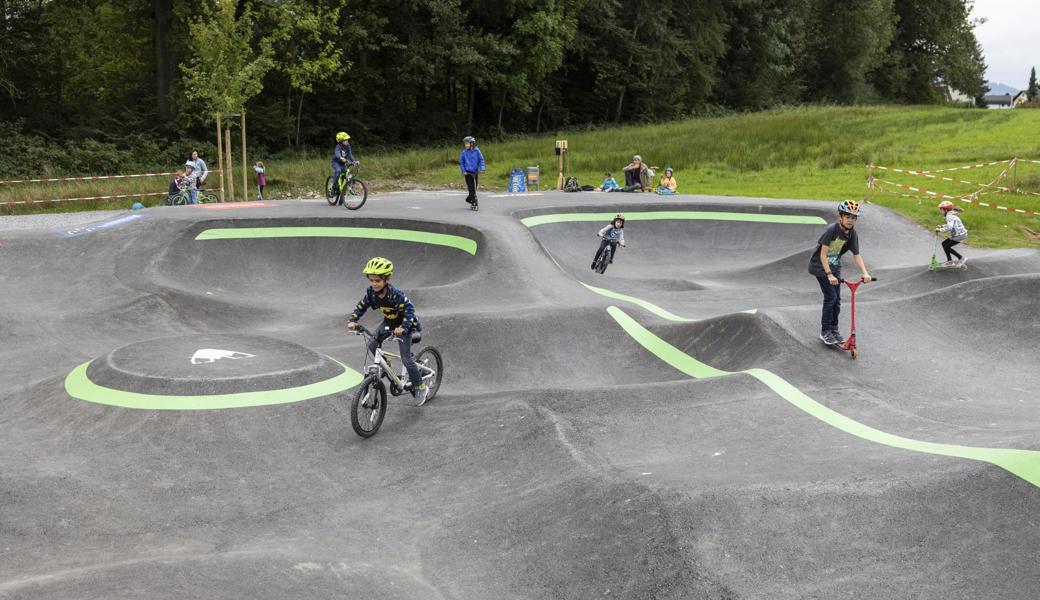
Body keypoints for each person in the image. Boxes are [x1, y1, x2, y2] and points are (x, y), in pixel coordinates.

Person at [346, 257, 429, 405]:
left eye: (377, 280)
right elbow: (362, 306)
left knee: (406, 359)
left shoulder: (395, 295)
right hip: (389, 323)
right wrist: (353, 320)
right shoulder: (372, 293)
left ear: (387, 279)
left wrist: (403, 328)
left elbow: (410, 310)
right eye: (371, 280)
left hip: (405, 325)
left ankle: (420, 386)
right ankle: (386, 365)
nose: (374, 284)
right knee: (372, 344)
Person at [807, 200, 873, 345]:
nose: (850, 220)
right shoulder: (832, 230)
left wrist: (865, 273)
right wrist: (829, 274)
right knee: (831, 298)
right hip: (820, 267)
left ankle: (834, 330)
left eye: (853, 218)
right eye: (847, 217)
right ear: (840, 217)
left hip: (835, 267)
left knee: (837, 301)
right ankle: (825, 331)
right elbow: (823, 255)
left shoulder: (852, 234)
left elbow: (857, 255)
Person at [935, 200, 968, 266]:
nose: (940, 211)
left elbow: (949, 227)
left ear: (946, 210)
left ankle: (961, 258)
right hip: (958, 234)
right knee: (944, 244)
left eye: (941, 210)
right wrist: (942, 226)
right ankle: (950, 260)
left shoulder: (949, 216)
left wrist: (940, 230)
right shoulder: (950, 214)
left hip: (959, 235)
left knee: (947, 246)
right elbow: (951, 225)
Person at [459, 135, 485, 209]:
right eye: (465, 144)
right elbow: (462, 162)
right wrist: (464, 171)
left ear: (472, 143)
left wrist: (482, 168)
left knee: (474, 188)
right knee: (471, 189)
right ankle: (474, 203)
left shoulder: (477, 151)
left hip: (475, 173)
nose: (466, 145)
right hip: (468, 173)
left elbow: (481, 160)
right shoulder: (464, 152)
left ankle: (469, 200)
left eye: (467, 143)